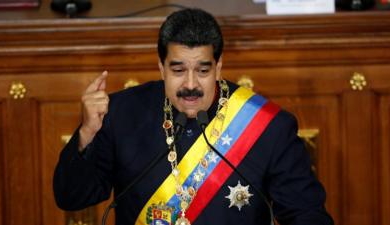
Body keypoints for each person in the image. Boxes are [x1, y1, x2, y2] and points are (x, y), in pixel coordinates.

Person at [54, 8, 334, 225]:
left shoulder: (267, 126)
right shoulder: (122, 115)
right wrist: (86, 133)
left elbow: (307, 215)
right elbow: (72, 197)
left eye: (203, 70)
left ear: (219, 67)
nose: (191, 84)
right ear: (161, 67)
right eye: (178, 71)